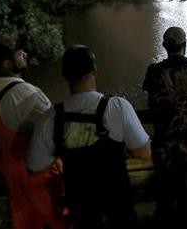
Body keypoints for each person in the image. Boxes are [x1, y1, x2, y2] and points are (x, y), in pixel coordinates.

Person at [27, 45, 151, 229]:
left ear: (65, 75)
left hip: (79, 204)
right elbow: (144, 152)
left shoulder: (51, 117)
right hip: (117, 200)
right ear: (94, 70)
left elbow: (35, 164)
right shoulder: (117, 107)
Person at [0, 38, 65, 229]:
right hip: (36, 168)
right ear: (7, 63)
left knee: (25, 217)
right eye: (19, 54)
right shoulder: (26, 93)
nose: (24, 55)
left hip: (9, 164)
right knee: (58, 215)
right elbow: (52, 130)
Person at [142, 26, 187, 227]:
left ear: (164, 46)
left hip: (166, 146)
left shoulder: (154, 71)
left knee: (166, 195)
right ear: (185, 45)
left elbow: (151, 96)